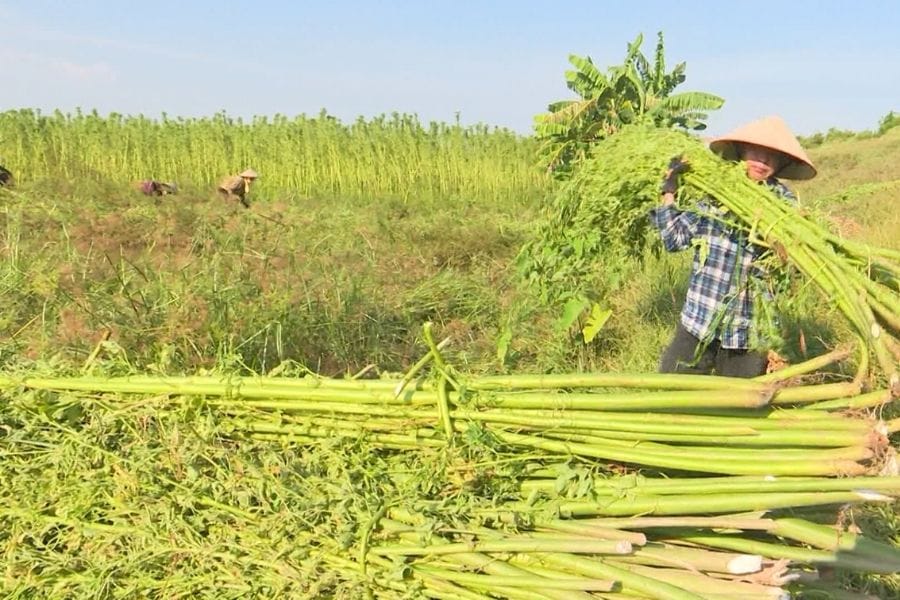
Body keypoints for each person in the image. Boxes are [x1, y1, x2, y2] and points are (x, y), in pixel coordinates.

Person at [650, 115, 817, 377]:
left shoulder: (786, 206)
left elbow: (796, 268)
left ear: (781, 162)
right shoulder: (716, 193)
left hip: (748, 334)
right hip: (699, 320)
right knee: (669, 392)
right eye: (756, 151)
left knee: (742, 401)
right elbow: (674, 239)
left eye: (771, 156)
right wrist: (668, 191)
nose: (762, 160)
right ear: (741, 151)